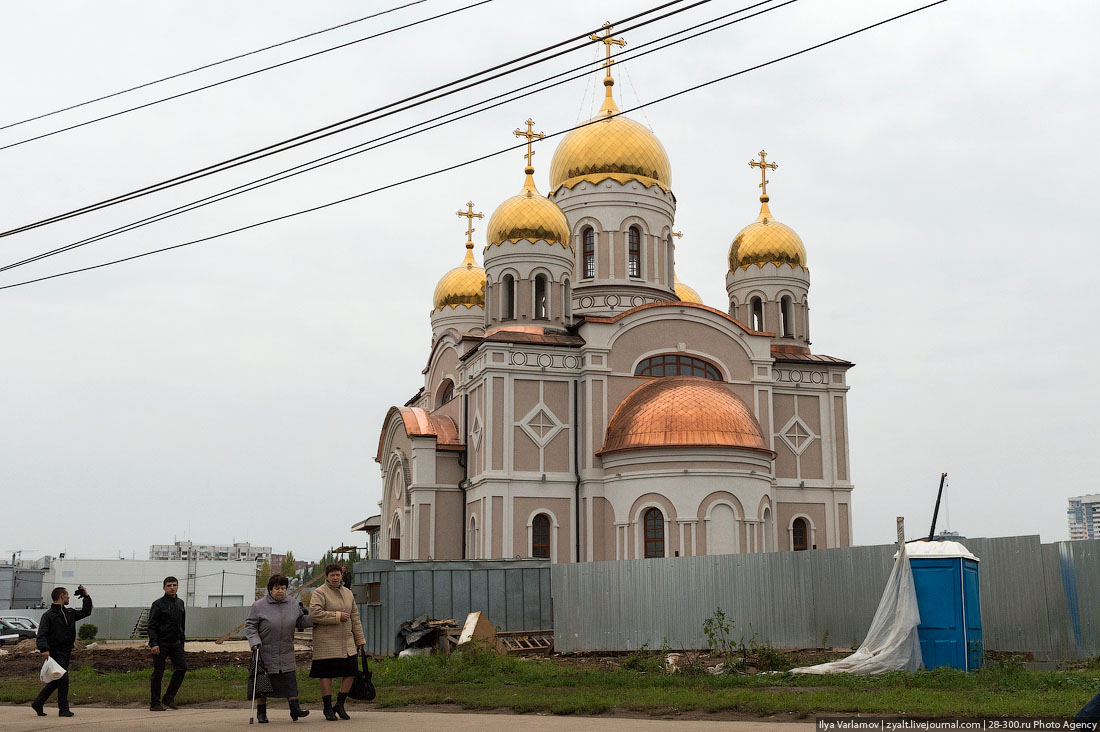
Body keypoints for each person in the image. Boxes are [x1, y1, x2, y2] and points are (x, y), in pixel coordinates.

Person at [245, 573, 313, 723]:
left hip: (286, 649)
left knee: (289, 680)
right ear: (270, 589)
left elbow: (300, 621)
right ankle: (261, 713)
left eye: (283, 588)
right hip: (265, 651)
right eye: (277, 588)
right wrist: (255, 641)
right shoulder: (258, 605)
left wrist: (315, 618)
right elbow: (250, 625)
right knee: (263, 682)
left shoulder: (293, 603)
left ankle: (295, 709)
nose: (280, 591)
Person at [309, 563, 365, 721]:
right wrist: (336, 616)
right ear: (326, 576)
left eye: (337, 575)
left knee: (351, 672)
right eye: (332, 575)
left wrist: (359, 638)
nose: (335, 578)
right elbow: (314, 614)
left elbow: (355, 617)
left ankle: (340, 704)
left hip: (346, 642)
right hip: (326, 641)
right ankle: (327, 707)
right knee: (326, 674)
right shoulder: (320, 593)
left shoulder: (348, 593)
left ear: (342, 575)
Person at [32, 585, 92, 718]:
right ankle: (63, 709)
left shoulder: (69, 613)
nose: (69, 597)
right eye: (67, 595)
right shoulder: (48, 615)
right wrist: (44, 649)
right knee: (63, 678)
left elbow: (87, 611)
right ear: (61, 596)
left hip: (66, 650)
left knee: (58, 678)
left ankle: (38, 702)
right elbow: (42, 633)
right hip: (54, 651)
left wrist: (86, 596)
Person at [148, 576, 187, 711]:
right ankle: (155, 703)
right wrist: (153, 643)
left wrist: (182, 642)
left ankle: (168, 698)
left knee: (182, 668)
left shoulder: (180, 603)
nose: (172, 588)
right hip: (161, 643)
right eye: (169, 585)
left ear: (177, 586)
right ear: (164, 587)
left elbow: (182, 624)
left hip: (176, 643)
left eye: (174, 585)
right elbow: (152, 625)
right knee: (158, 672)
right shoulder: (158, 604)